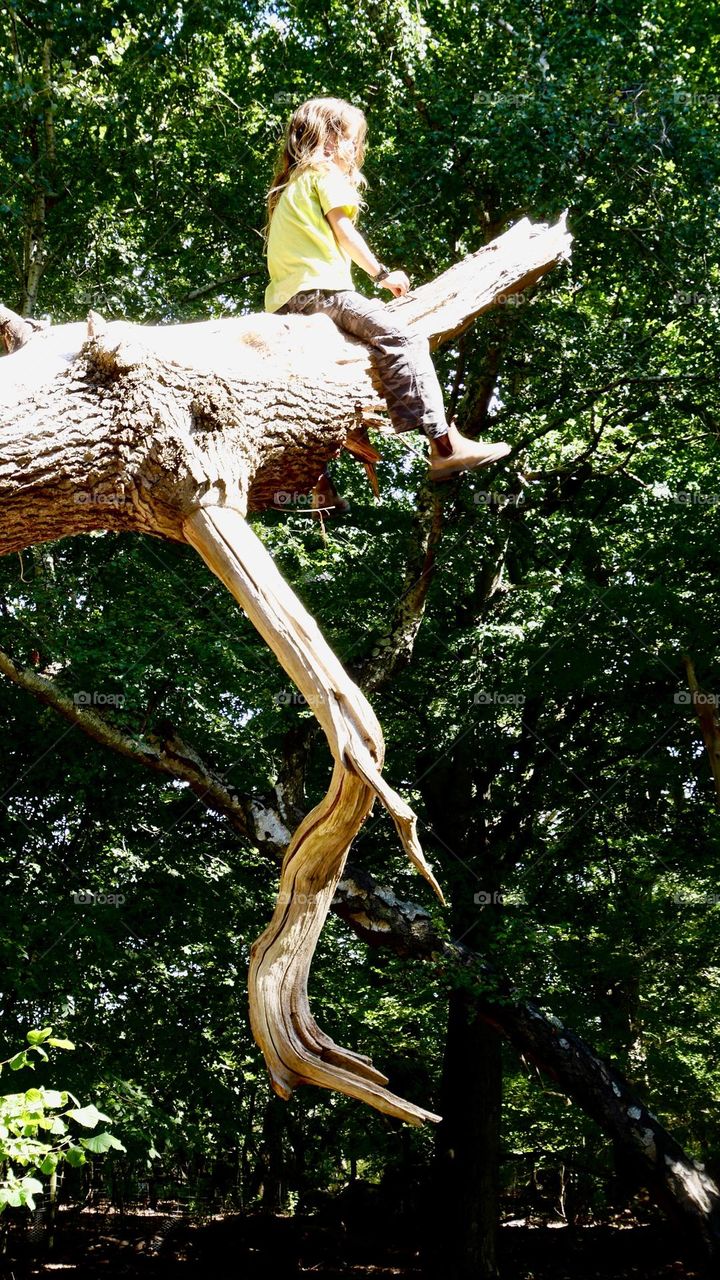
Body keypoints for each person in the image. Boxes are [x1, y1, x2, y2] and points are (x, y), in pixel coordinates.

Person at [262, 96, 510, 513]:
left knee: (320, 384)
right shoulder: (323, 172)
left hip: (284, 304)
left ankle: (317, 484)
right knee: (404, 339)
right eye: (353, 142)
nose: (356, 153)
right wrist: (382, 274)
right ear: (331, 140)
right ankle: (444, 447)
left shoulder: (288, 188)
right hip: (321, 293)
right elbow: (344, 232)